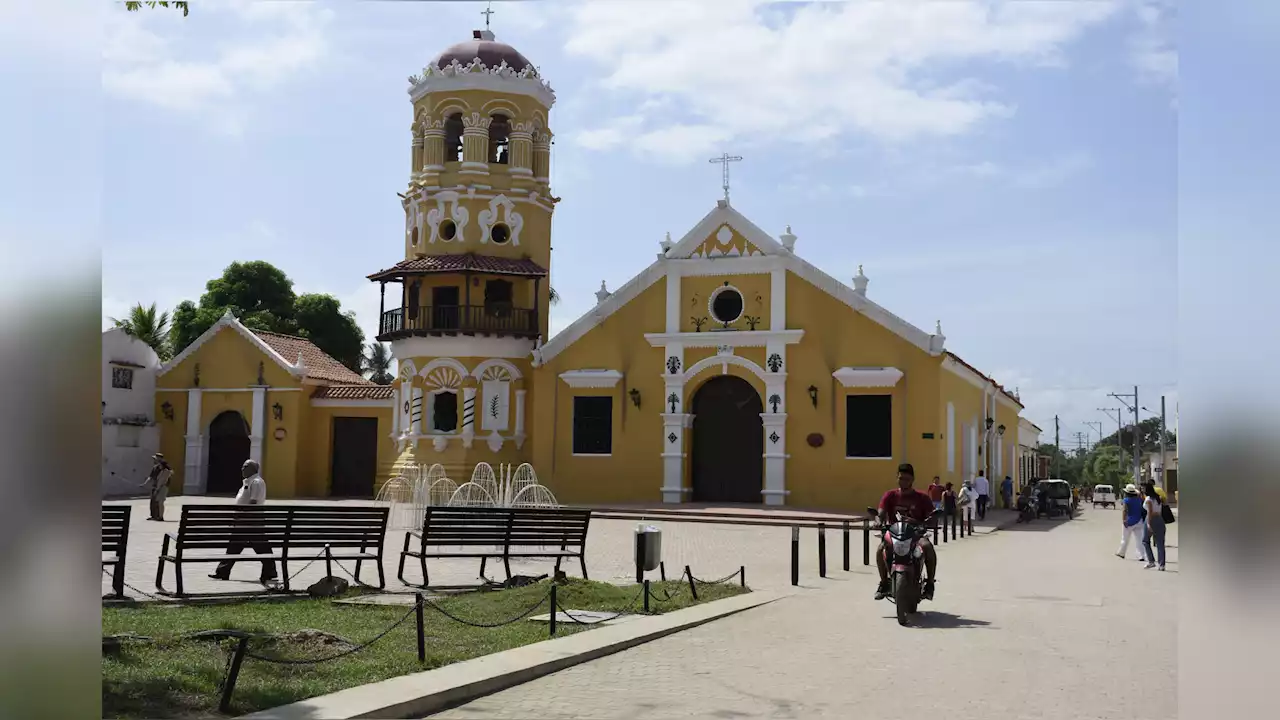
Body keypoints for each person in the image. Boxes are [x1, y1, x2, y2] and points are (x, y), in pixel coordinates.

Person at [873, 463, 937, 602]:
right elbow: (881, 512)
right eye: (901, 479)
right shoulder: (890, 495)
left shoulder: (922, 497)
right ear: (897, 478)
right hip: (894, 532)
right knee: (880, 549)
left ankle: (930, 584)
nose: (904, 482)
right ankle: (884, 583)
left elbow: (931, 516)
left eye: (907, 479)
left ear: (912, 479)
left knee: (927, 547)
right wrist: (878, 520)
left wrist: (928, 522)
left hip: (915, 533)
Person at [209, 459, 279, 584]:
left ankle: (270, 572)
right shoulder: (249, 481)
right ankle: (223, 572)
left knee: (260, 548)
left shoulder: (256, 482)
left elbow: (253, 502)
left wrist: (240, 517)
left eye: (245, 466)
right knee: (236, 546)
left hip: (250, 521)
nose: (242, 469)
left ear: (253, 469)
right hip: (245, 521)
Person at [139, 453, 173, 521]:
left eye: (155, 458)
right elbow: (150, 477)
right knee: (153, 501)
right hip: (155, 486)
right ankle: (153, 515)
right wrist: (145, 483)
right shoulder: (155, 467)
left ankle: (159, 516)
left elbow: (164, 479)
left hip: (161, 487)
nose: (154, 460)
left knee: (159, 501)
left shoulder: (164, 469)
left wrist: (158, 488)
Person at [1141, 482, 1168, 571]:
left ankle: (1151, 561)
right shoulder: (1158, 498)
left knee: (1145, 540)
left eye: (1143, 488)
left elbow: (1150, 512)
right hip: (1160, 519)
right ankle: (1162, 564)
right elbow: (1159, 511)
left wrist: (1148, 524)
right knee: (1160, 543)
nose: (1142, 490)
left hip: (1150, 519)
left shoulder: (1148, 499)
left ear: (1147, 489)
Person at [1116, 484, 1145, 561]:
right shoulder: (1139, 499)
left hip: (1129, 522)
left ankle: (1122, 553)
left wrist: (1124, 520)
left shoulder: (1126, 500)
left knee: (1125, 538)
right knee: (1139, 539)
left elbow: (1124, 510)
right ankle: (1141, 555)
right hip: (1139, 521)